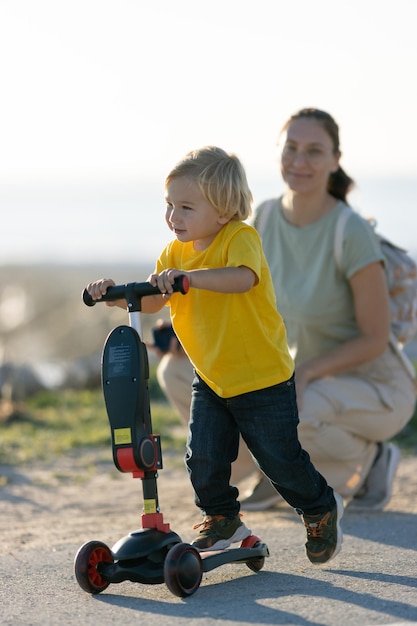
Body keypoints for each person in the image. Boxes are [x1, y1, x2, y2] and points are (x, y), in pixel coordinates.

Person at [86, 145, 343, 564]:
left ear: (223, 211)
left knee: (279, 460)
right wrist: (115, 297)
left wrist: (190, 279)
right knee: (202, 456)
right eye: (169, 206)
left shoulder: (239, 238)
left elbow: (241, 279)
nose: (174, 217)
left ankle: (318, 507)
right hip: (212, 377)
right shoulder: (173, 255)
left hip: (262, 378)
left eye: (186, 207)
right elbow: (153, 302)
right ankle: (222, 517)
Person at [155, 109, 417, 513]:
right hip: (288, 372)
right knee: (177, 372)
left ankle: (370, 464)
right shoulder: (263, 219)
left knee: (294, 409)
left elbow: (375, 338)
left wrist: (307, 373)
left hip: (373, 385)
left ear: (335, 159)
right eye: (291, 148)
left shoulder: (351, 232)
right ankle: (266, 469)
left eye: (314, 151)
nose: (299, 161)